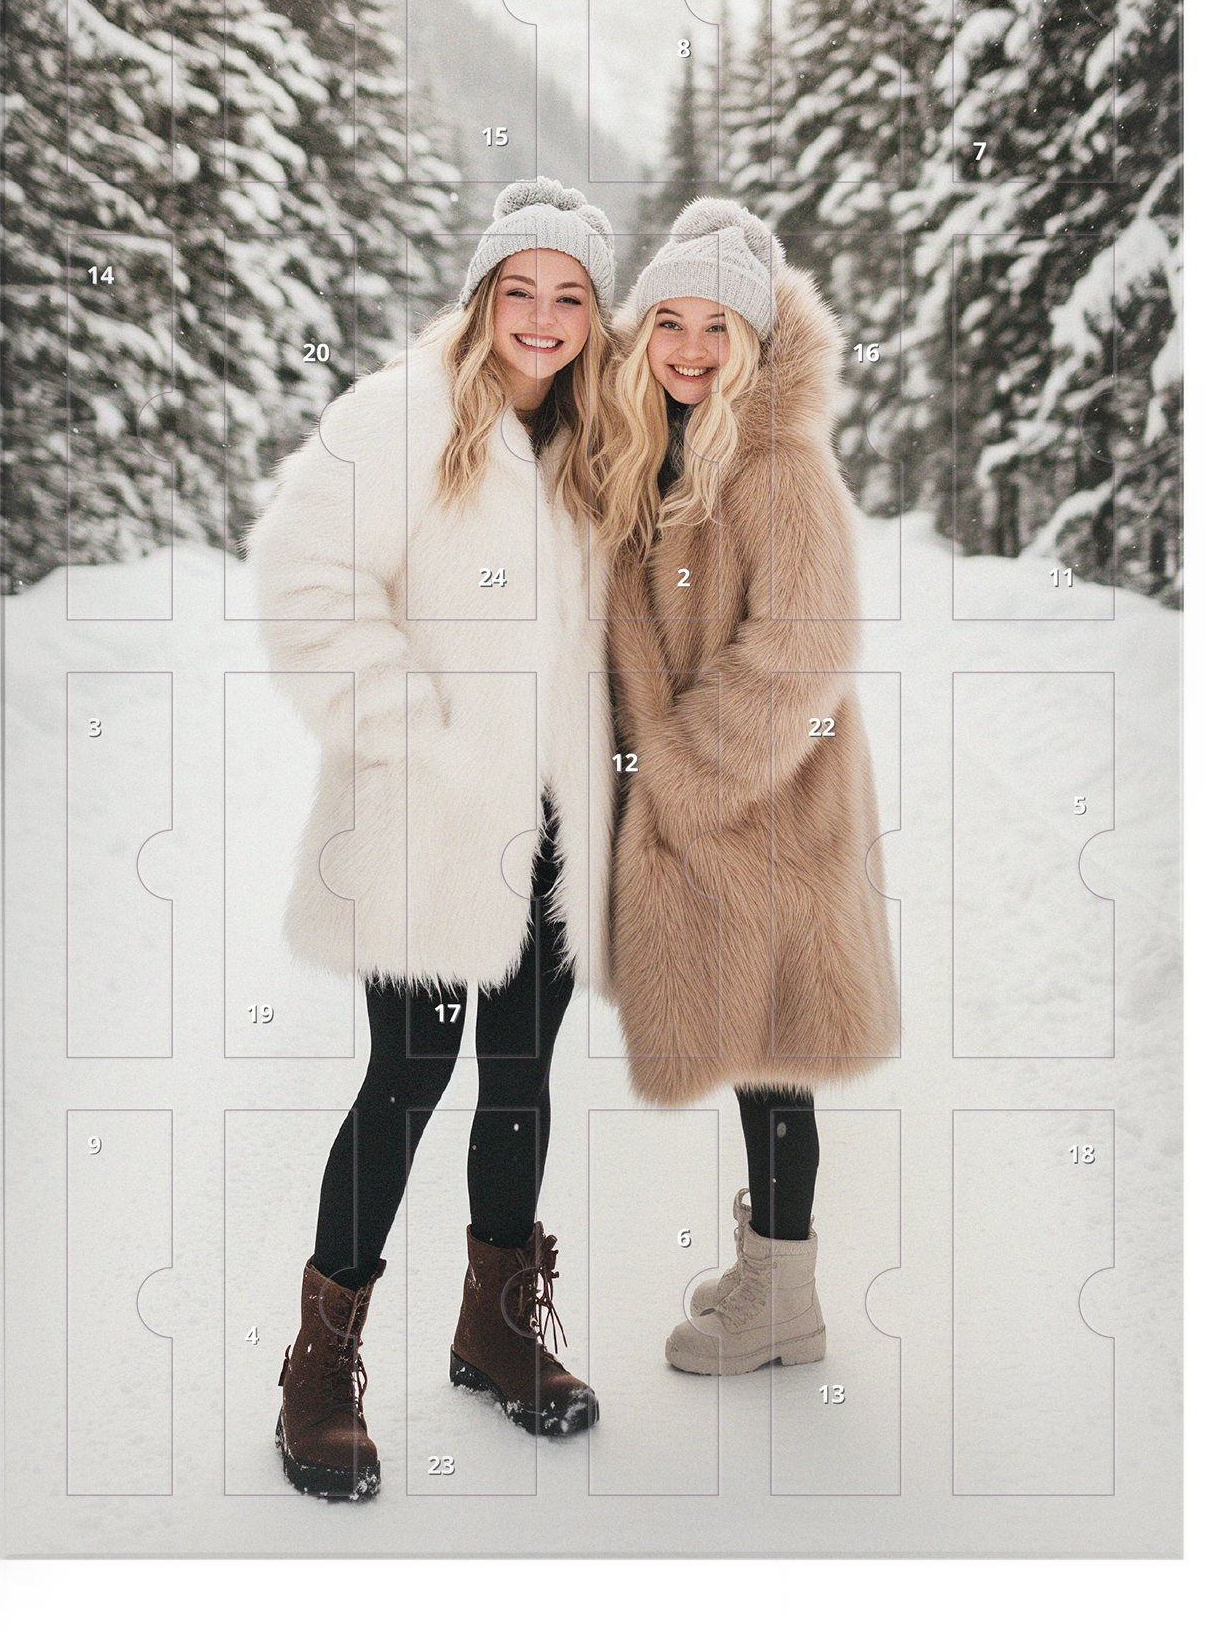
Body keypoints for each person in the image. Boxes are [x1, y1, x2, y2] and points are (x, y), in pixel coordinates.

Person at [248, 178, 618, 1496]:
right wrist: (409, 725)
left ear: (595, 314)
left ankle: (497, 1326)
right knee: (407, 1079)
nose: (542, 316)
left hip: (561, 825)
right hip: (423, 820)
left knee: (518, 1076)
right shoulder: (399, 415)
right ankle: (319, 1362)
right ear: (480, 298)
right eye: (519, 289)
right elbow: (301, 577)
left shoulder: (600, 439)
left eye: (569, 294)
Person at [594, 198, 899, 1375]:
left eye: (713, 324)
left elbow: (803, 652)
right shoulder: (651, 448)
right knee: (750, 1047)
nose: (685, 347)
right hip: (709, 816)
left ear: (755, 337)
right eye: (666, 320)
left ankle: (785, 1295)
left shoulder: (777, 463)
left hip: (768, 810)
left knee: (773, 1058)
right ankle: (772, 1260)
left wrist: (679, 769)